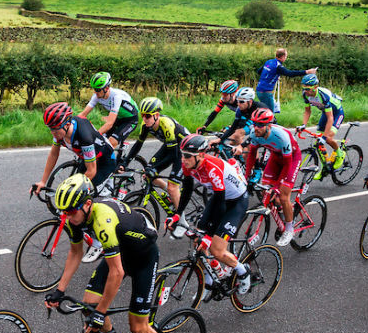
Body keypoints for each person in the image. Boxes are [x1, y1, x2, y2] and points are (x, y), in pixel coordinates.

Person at [45, 174, 161, 333]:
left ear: (88, 204)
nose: (67, 217)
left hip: (144, 257)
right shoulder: (75, 218)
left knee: (138, 328)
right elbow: (75, 253)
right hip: (121, 251)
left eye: (71, 212)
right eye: (64, 212)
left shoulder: (103, 221)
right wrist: (59, 291)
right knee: (88, 305)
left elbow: (117, 272)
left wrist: (101, 312)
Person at [33, 102, 118, 263]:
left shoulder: (83, 136)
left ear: (66, 124)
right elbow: (53, 154)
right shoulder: (59, 131)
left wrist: (77, 191)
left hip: (104, 163)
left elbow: (92, 171)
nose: (52, 132)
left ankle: (99, 242)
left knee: (85, 200)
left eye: (54, 128)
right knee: (74, 198)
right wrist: (43, 181)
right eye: (50, 128)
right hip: (87, 160)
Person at [175, 134, 252, 296]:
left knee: (217, 250)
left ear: (201, 155)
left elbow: (220, 204)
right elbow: (187, 190)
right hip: (219, 198)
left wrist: (210, 235)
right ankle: (209, 282)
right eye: (182, 154)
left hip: (236, 202)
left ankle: (242, 271)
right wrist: (177, 215)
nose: (183, 159)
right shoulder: (188, 164)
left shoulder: (212, 169)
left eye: (187, 155)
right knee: (199, 243)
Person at [123, 97, 192, 238]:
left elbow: (174, 155)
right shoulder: (145, 125)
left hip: (184, 150)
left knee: (172, 186)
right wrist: (125, 162)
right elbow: (138, 145)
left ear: (156, 115)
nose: (145, 119)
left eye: (147, 116)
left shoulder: (166, 124)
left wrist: (155, 169)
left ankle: (183, 223)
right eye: (142, 115)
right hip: (170, 146)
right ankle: (175, 196)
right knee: (149, 176)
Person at [242, 108, 301, 246]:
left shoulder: (281, 136)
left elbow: (287, 165)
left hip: (291, 160)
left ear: (269, 126)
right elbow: (251, 155)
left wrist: (277, 186)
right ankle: (283, 210)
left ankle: (289, 229)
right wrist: (245, 176)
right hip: (275, 157)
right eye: (254, 123)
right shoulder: (254, 133)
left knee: (283, 196)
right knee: (265, 192)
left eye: (260, 125)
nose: (256, 127)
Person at [300, 74, 345, 176]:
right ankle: (325, 167)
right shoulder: (306, 95)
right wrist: (303, 125)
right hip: (326, 113)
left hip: (337, 113)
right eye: (304, 88)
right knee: (318, 141)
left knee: (328, 138)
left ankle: (340, 154)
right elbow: (307, 111)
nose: (305, 91)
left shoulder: (323, 96)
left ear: (315, 87)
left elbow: (331, 118)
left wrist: (324, 137)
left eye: (307, 89)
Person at [79, 72, 139, 149]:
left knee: (110, 143)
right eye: (94, 89)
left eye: (97, 89)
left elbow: (110, 123)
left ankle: (111, 158)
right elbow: (83, 114)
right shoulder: (97, 95)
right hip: (119, 118)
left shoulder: (116, 96)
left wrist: (95, 135)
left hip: (131, 120)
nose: (95, 92)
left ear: (106, 88)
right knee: (100, 142)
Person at [256, 48, 317, 113]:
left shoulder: (269, 62)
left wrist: (274, 75)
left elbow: (259, 72)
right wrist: (307, 72)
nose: (286, 58)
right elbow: (290, 73)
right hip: (266, 92)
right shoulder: (278, 66)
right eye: (286, 56)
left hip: (259, 90)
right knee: (270, 114)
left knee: (264, 112)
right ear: (282, 56)